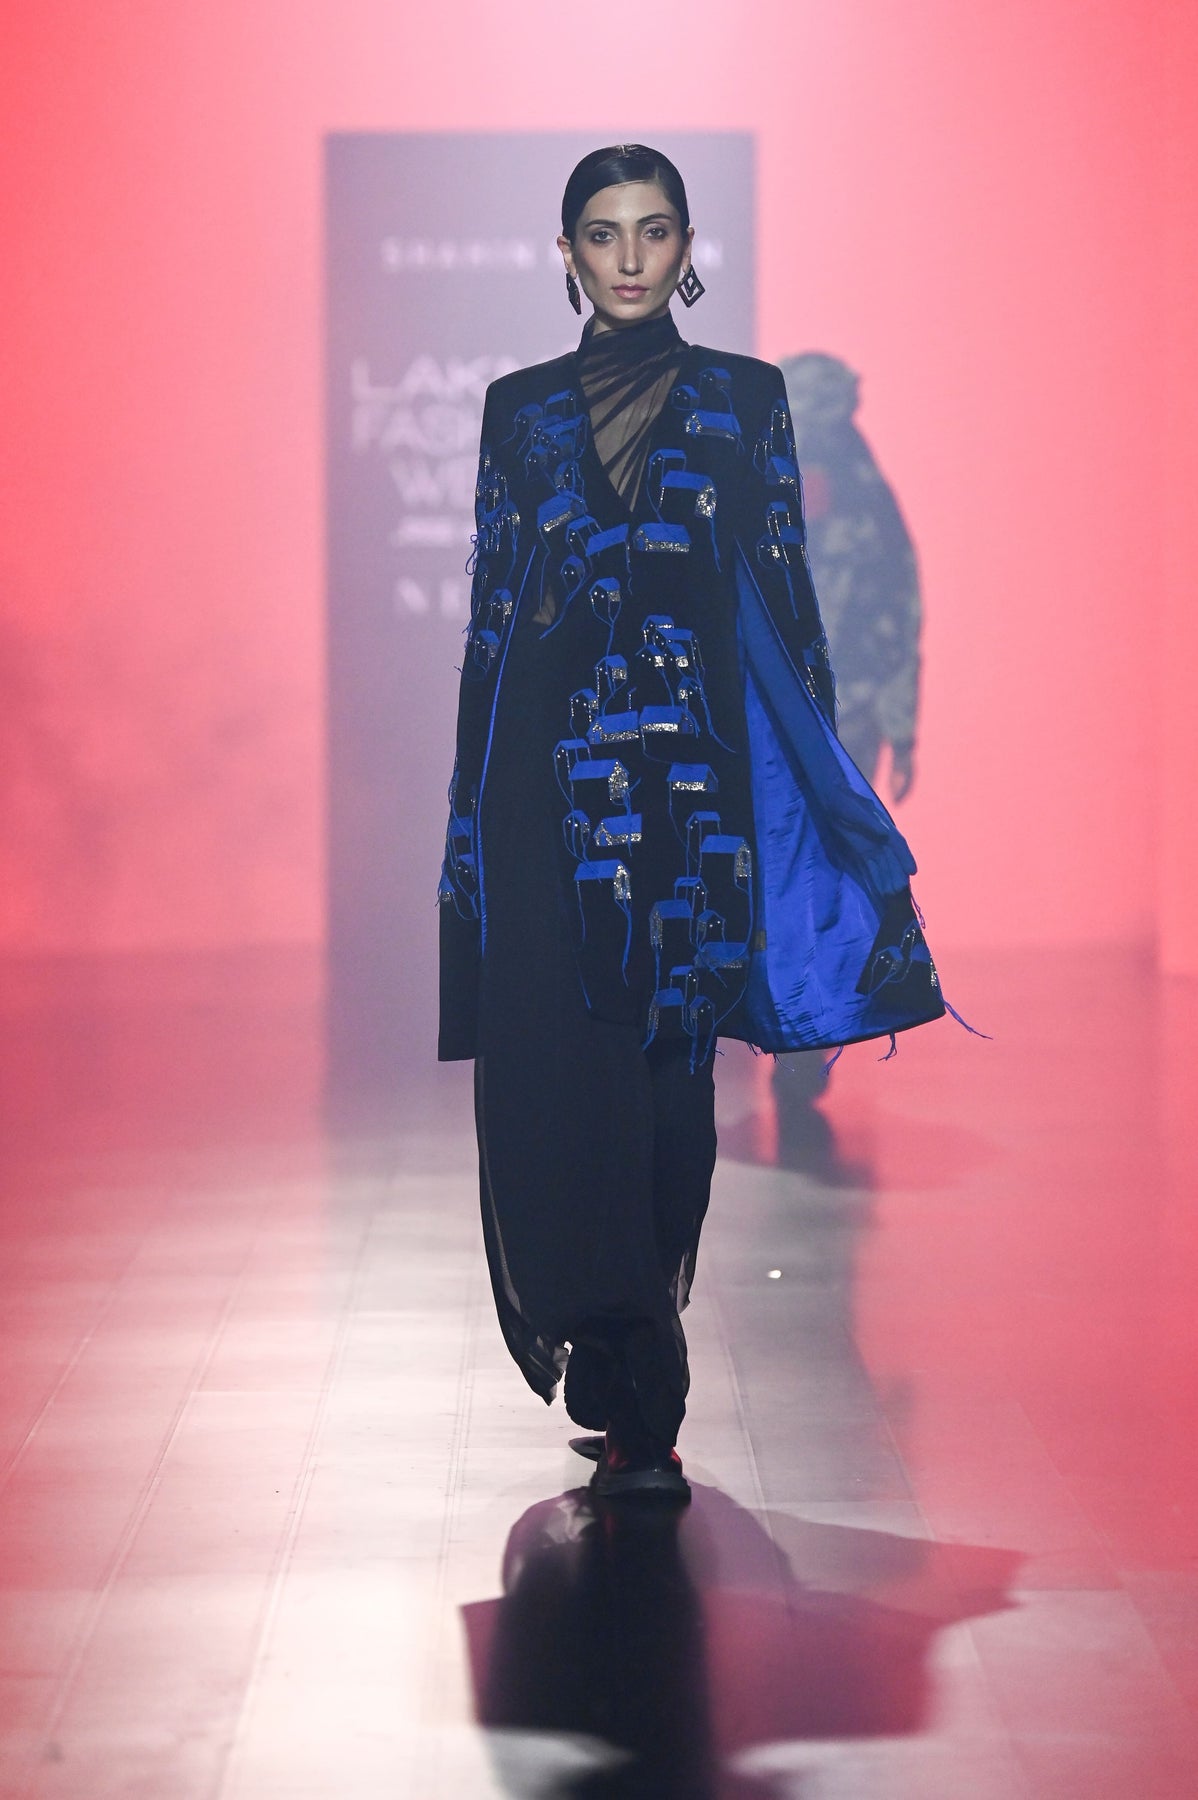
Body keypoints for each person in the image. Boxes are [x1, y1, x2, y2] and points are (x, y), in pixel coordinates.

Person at [438, 146, 943, 1503]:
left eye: (652, 232)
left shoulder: (743, 400)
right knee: (565, 1082)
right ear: (565, 253)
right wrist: (472, 835)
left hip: (696, 797)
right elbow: (493, 625)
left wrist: (812, 796)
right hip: (548, 797)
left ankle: (635, 1344)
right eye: (601, 235)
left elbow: (784, 599)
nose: (628, 258)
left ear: (684, 245)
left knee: (670, 1099)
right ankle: (632, 1394)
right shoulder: (517, 412)